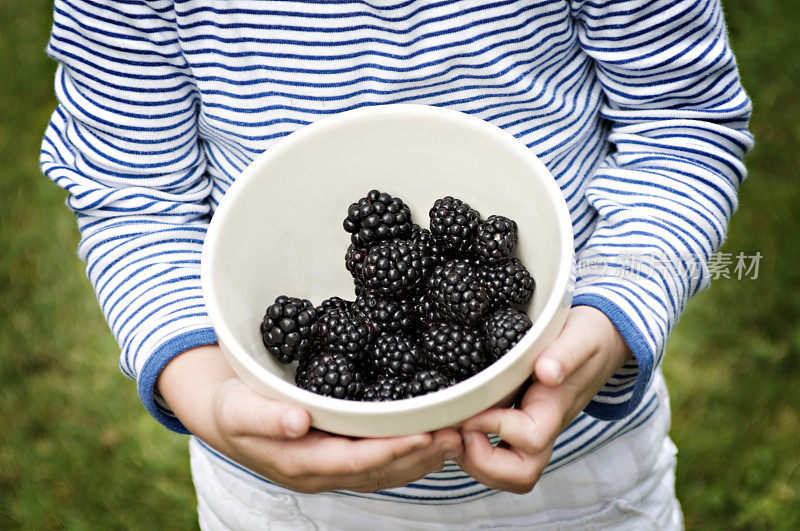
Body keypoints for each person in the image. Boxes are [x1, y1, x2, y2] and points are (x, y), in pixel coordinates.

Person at [40, 0, 752, 528]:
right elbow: (135, 204)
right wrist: (207, 397)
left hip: (578, 470)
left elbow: (682, 125)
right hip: (281, 496)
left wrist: (607, 317)